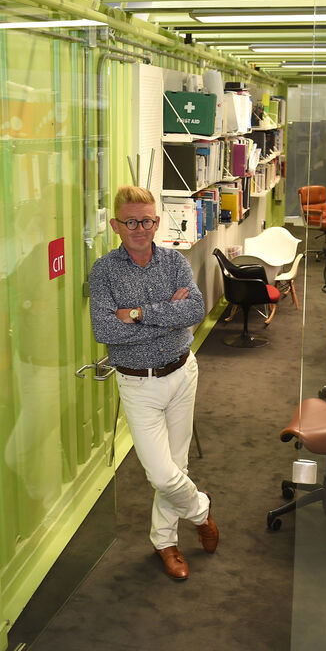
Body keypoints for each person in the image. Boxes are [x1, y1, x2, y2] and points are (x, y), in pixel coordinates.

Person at [88, 185, 217, 580]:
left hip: (182, 373)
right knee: (161, 473)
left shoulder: (175, 263)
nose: (139, 228)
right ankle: (201, 511)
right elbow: (104, 330)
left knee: (177, 463)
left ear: (157, 222)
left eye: (146, 220)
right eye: (130, 222)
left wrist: (138, 314)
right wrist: (168, 317)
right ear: (116, 225)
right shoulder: (104, 272)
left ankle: (166, 543)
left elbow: (195, 308)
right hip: (137, 385)